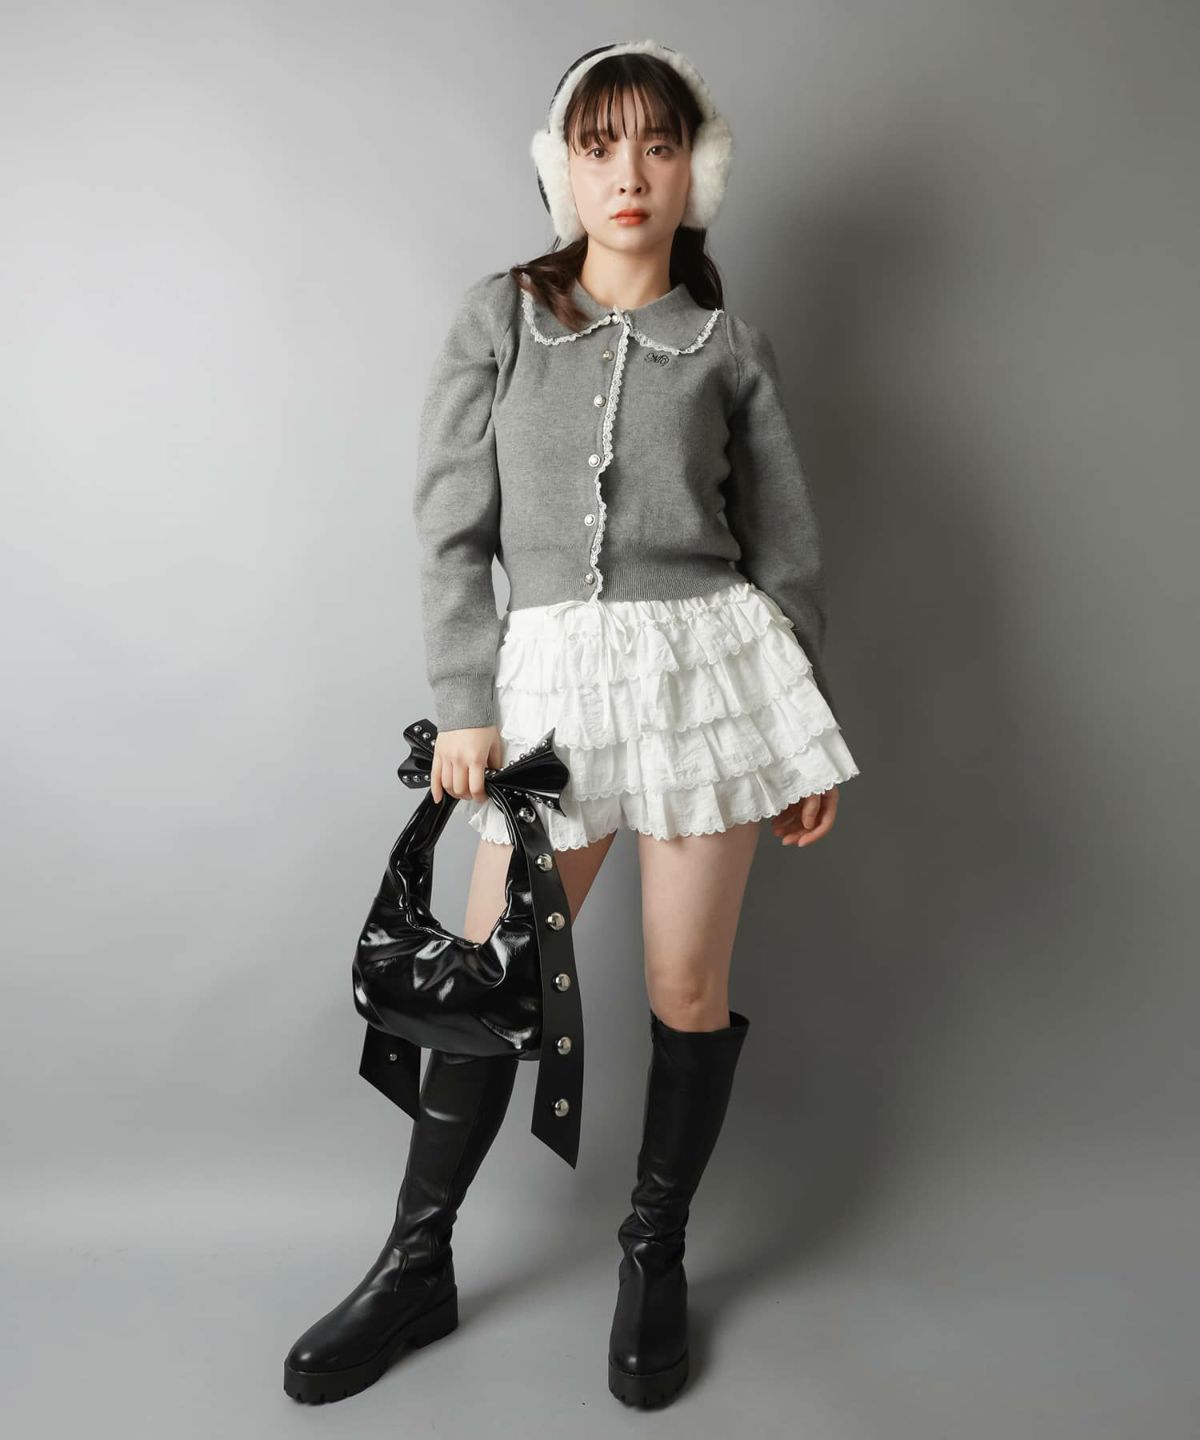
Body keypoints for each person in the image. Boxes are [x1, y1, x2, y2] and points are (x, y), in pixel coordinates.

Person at [283, 39, 861, 1411]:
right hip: (548, 684)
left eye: (657, 145)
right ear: (565, 169)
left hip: (709, 680)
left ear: (695, 170)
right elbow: (451, 527)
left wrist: (797, 724)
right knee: (491, 974)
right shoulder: (501, 319)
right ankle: (416, 1264)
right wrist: (465, 704)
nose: (629, 174)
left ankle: (653, 1253)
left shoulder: (732, 349)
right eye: (600, 148)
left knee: (682, 987)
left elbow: (784, 553)